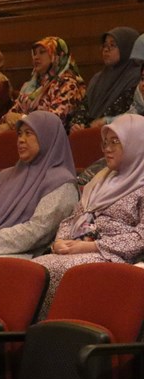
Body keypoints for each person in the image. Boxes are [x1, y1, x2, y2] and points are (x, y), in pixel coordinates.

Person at [0, 111, 79, 279]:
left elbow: (38, 231)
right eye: (19, 134)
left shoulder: (62, 182)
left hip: (22, 257)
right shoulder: (5, 176)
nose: (21, 139)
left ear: (48, 137)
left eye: (29, 133)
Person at [34, 115, 144, 309]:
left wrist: (91, 247)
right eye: (105, 143)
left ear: (136, 144)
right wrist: (61, 242)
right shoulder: (100, 180)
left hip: (114, 257)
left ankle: (56, 330)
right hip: (76, 251)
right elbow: (72, 218)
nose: (107, 149)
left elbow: (140, 237)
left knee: (56, 271)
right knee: (30, 271)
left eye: (115, 142)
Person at [0, 36, 85, 134]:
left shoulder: (67, 84)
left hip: (48, 139)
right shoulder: (31, 85)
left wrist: (21, 119)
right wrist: (8, 117)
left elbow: (54, 121)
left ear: (57, 55)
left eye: (42, 52)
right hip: (23, 133)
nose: (36, 57)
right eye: (34, 53)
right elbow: (12, 113)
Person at [70, 27, 141, 130]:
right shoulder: (97, 78)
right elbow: (84, 107)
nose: (106, 49)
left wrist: (93, 126)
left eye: (112, 45)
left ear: (127, 48)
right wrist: (77, 124)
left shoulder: (136, 77)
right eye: (105, 45)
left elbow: (119, 110)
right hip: (90, 133)